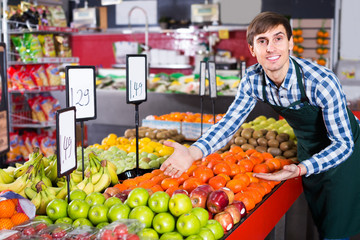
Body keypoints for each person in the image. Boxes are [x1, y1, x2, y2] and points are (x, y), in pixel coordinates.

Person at [160, 11, 360, 240]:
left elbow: (343, 144)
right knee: (320, 215)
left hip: (344, 150)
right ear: (252, 50)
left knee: (337, 224)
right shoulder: (252, 79)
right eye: (262, 41)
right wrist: (193, 152)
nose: (271, 48)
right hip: (308, 148)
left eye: (278, 38)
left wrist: (303, 168)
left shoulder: (320, 82)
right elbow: (230, 123)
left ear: (290, 43)